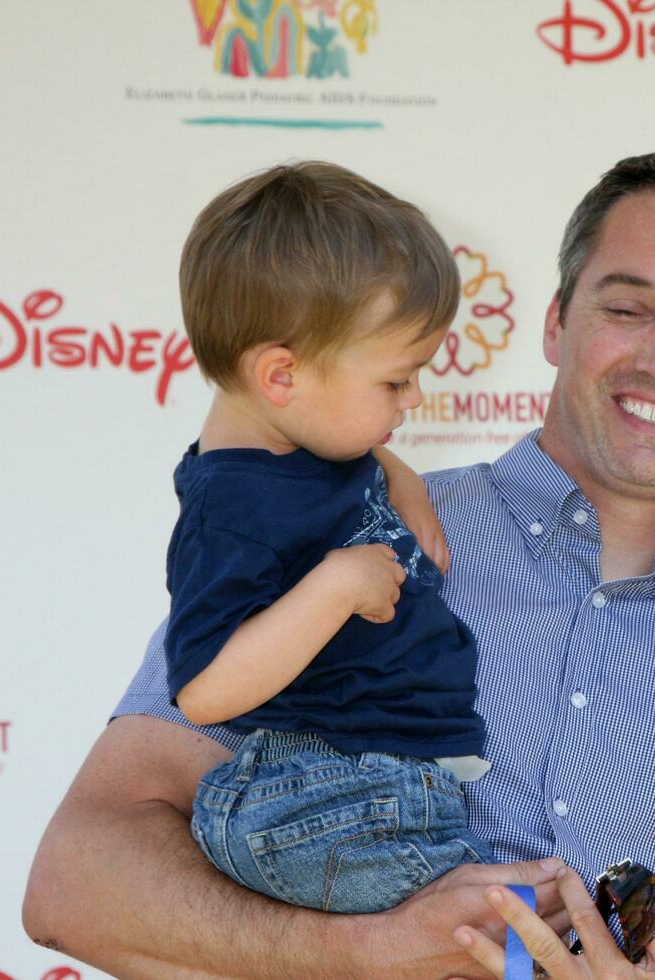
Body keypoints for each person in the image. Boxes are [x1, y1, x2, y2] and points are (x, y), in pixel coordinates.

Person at [23, 147, 655, 979]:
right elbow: (76, 883)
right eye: (628, 309)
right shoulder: (348, 531)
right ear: (555, 323)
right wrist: (365, 954)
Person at [163, 161, 491, 915]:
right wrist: (337, 587)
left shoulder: (306, 443)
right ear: (282, 376)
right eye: (396, 381)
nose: (416, 398)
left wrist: (393, 466)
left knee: (493, 921)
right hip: (319, 792)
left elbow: (340, 447)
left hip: (381, 781)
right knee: (484, 930)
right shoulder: (230, 506)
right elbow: (205, 687)